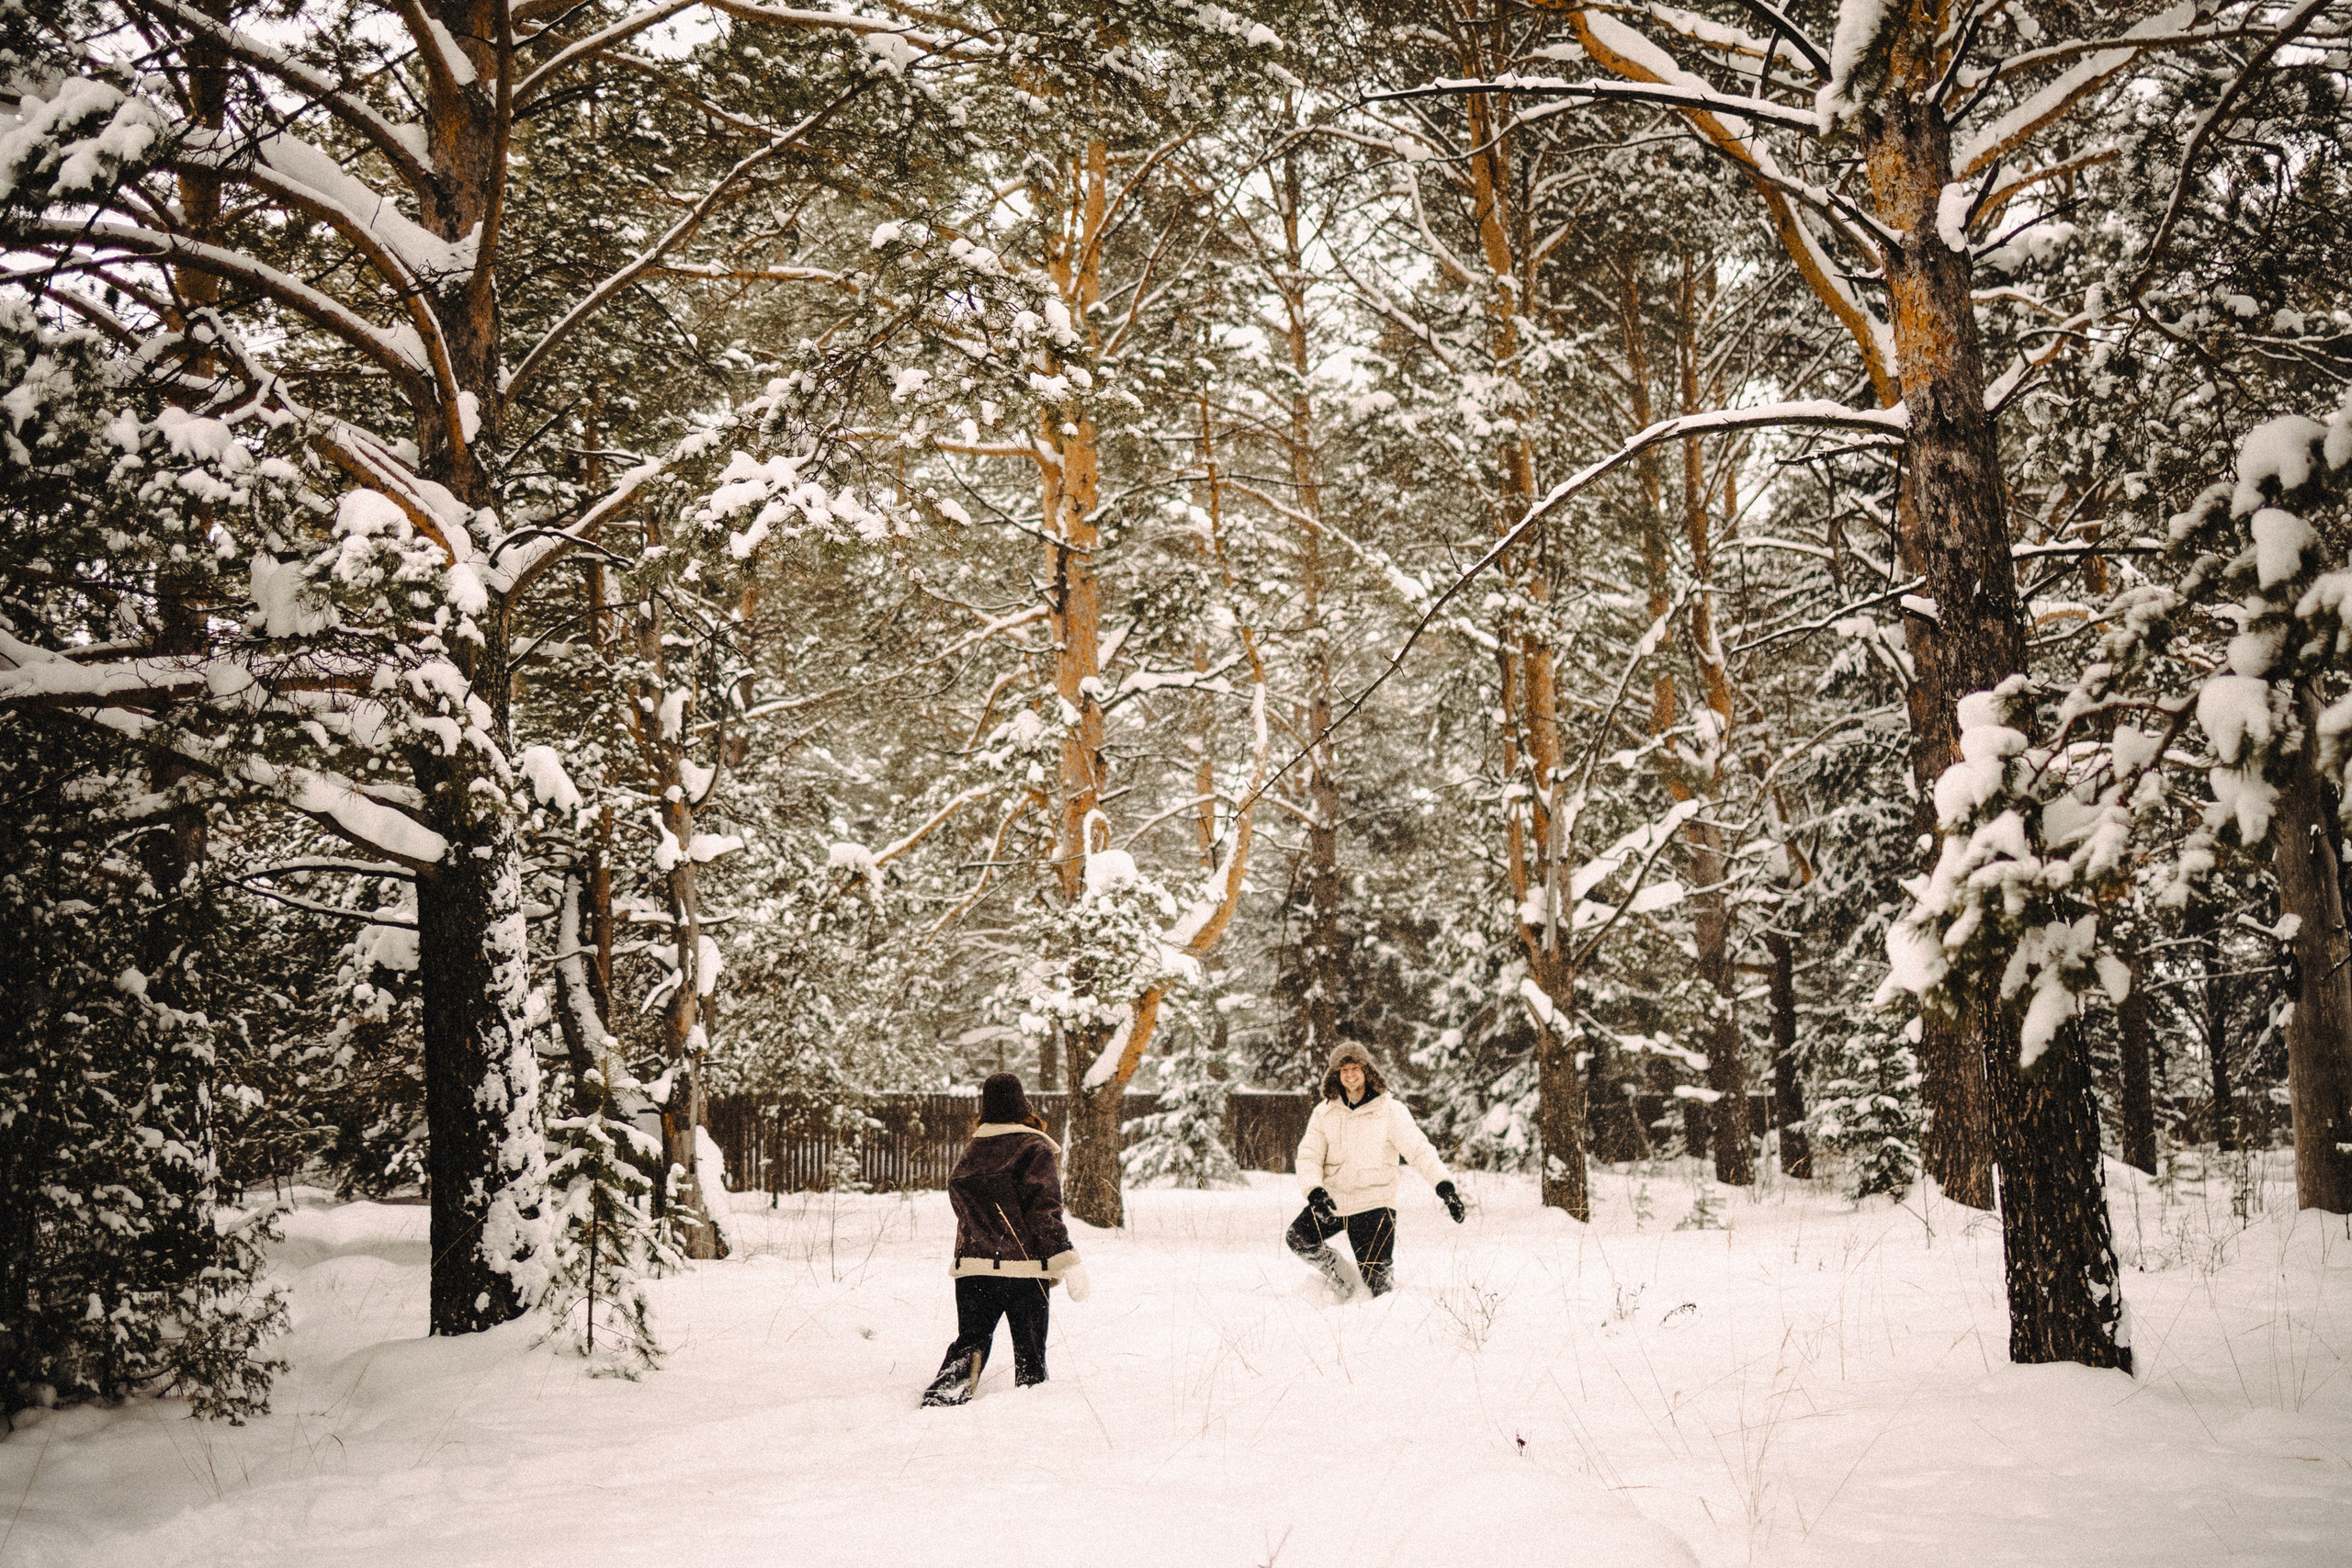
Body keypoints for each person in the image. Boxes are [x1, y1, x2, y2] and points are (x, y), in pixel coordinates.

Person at [922, 1072, 1090, 1406]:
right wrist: (1066, 1258)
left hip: (974, 1270)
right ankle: (1028, 1416)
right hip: (1024, 1273)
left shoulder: (973, 1151)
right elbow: (1044, 1210)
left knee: (970, 1343)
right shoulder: (1033, 1147)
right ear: (1025, 1107)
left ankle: (941, 1402)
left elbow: (963, 1207)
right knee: (1030, 1358)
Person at [1287, 1043, 1464, 1298]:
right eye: (1343, 1069)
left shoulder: (1390, 1111)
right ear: (1336, 1074)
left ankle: (1382, 1312)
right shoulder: (1324, 1112)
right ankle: (1346, 1282)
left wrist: (1444, 1187)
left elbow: (1419, 1150)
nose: (1350, 1074)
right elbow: (1309, 1156)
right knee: (1298, 1238)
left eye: (1355, 1068)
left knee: (1379, 1287)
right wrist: (1314, 1191)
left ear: (1366, 1070)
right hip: (1333, 1203)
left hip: (1374, 1206)